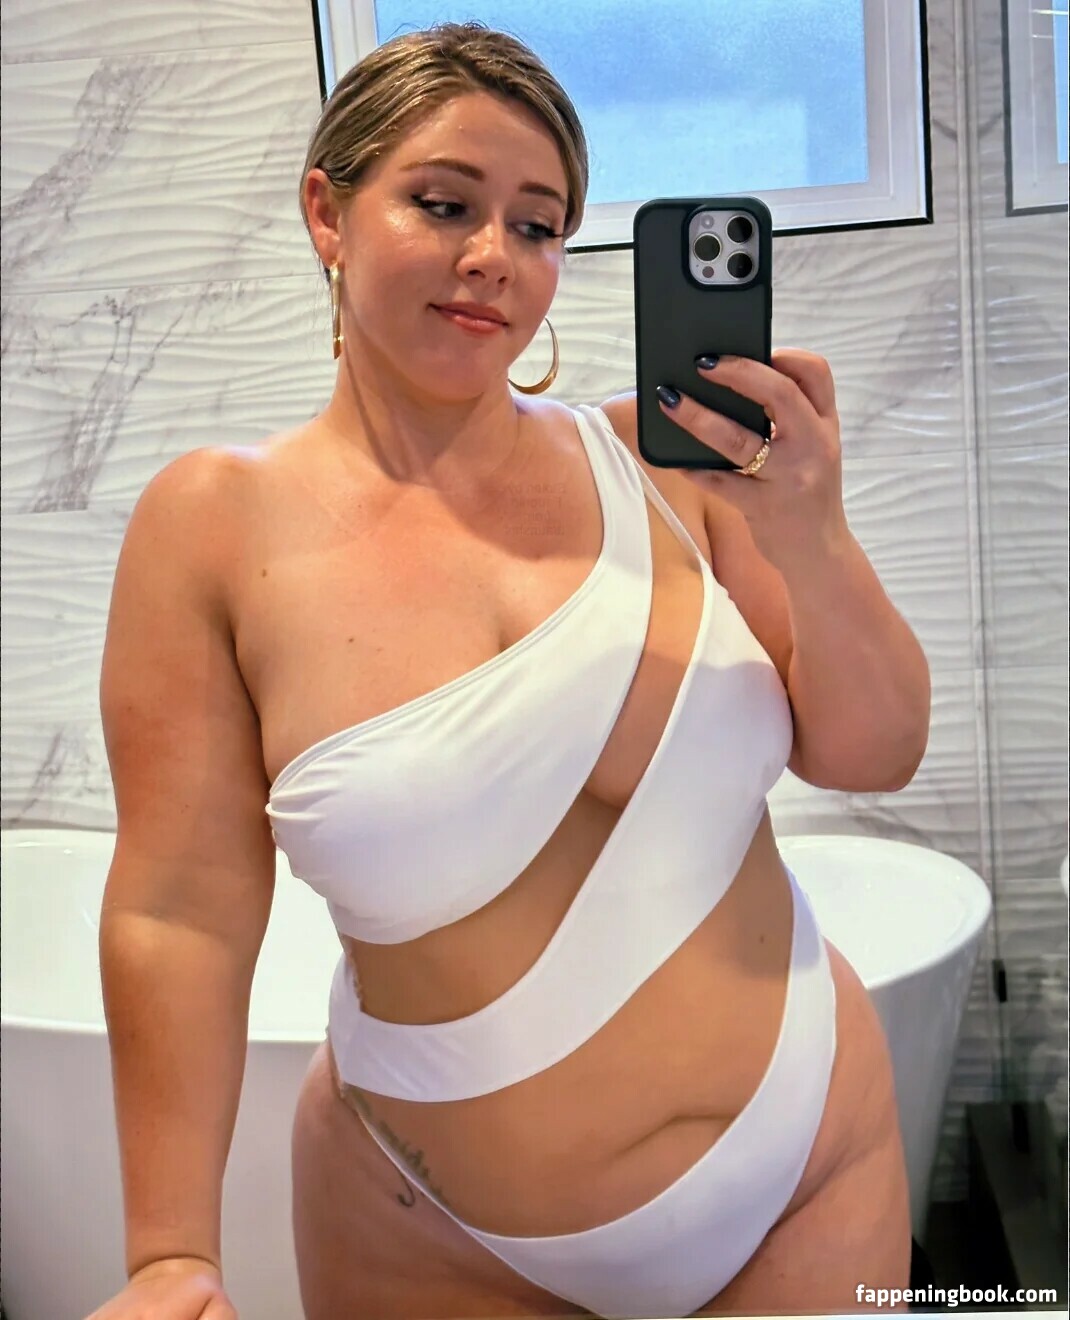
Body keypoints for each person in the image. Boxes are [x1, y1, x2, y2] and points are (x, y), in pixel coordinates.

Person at [89, 20, 931, 1320]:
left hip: (806, 1163)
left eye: (538, 226)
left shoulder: (670, 471)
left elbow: (874, 753)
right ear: (327, 212)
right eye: (443, 204)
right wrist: (168, 1255)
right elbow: (179, 909)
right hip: (432, 1237)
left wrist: (812, 537)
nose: (494, 254)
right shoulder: (215, 525)